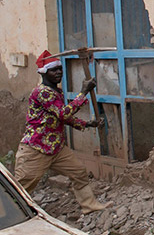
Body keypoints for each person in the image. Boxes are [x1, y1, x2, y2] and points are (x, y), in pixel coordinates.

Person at [14, 51, 111, 214]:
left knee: (78, 171)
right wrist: (84, 92)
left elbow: (61, 117)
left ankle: (89, 205)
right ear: (44, 72)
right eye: (54, 70)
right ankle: (12, 215)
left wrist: (86, 123)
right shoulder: (42, 92)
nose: (59, 72)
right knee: (22, 185)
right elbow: (63, 114)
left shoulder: (56, 92)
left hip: (56, 148)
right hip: (36, 149)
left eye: (60, 69)